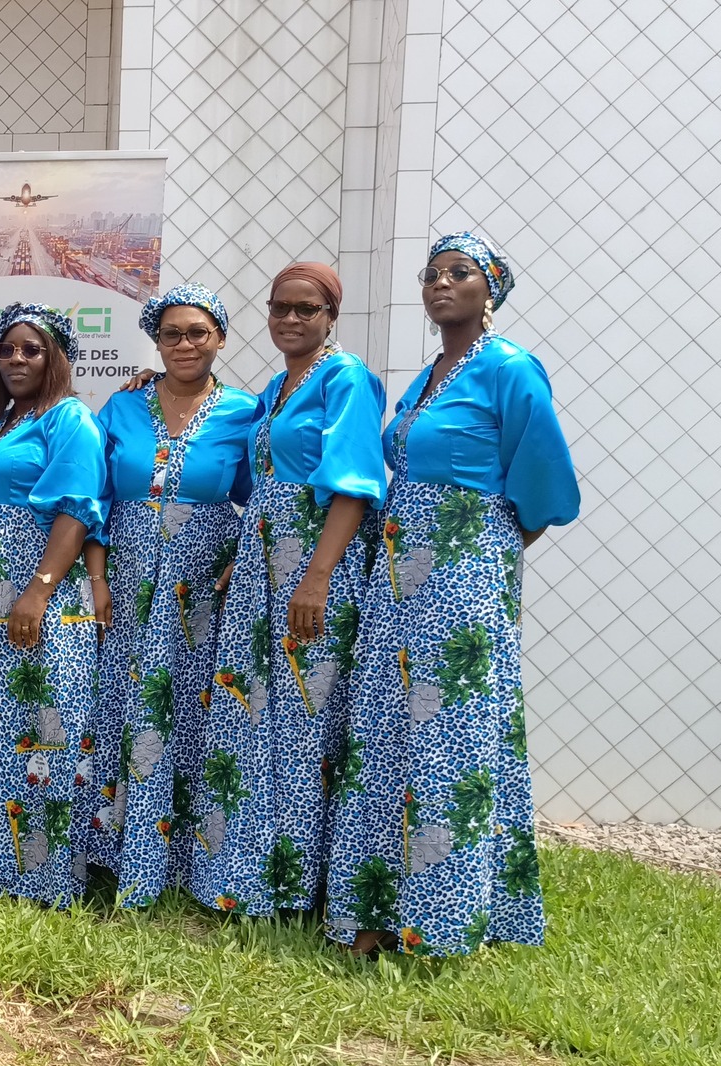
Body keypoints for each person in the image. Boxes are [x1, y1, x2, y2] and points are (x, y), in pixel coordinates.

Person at [324, 234, 579, 957]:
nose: (441, 283)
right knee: (383, 733)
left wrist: (480, 550)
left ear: (489, 289)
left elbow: (547, 489)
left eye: (459, 273)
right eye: (431, 273)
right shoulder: (430, 375)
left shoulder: (509, 369)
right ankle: (374, 908)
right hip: (396, 584)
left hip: (462, 584)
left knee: (449, 741)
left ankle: (438, 921)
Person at [187, 262, 386, 919]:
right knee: (253, 715)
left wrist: (318, 577)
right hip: (261, 569)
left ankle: (299, 883)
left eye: (307, 309)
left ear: (331, 316)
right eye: (281, 307)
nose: (291, 319)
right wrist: (244, 559)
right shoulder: (277, 386)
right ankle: (248, 871)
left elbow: (353, 485)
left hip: (314, 566)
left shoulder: (345, 378)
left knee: (307, 719)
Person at [82, 284, 258, 909]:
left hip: (200, 587)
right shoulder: (122, 405)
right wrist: (98, 579)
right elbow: (94, 499)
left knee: (191, 707)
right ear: (155, 342)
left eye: (198, 332)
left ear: (220, 339)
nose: (185, 344)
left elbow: (262, 495)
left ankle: (183, 855)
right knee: (121, 701)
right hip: (128, 578)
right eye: (171, 334)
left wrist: (240, 559)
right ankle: (114, 849)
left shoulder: (246, 411)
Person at [0, 304, 106, 907]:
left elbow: (76, 509)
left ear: (55, 357)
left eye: (31, 350)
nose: (16, 359)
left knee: (39, 722)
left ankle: (39, 872)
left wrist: (37, 591)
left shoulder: (70, 420)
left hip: (37, 587)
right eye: (6, 350)